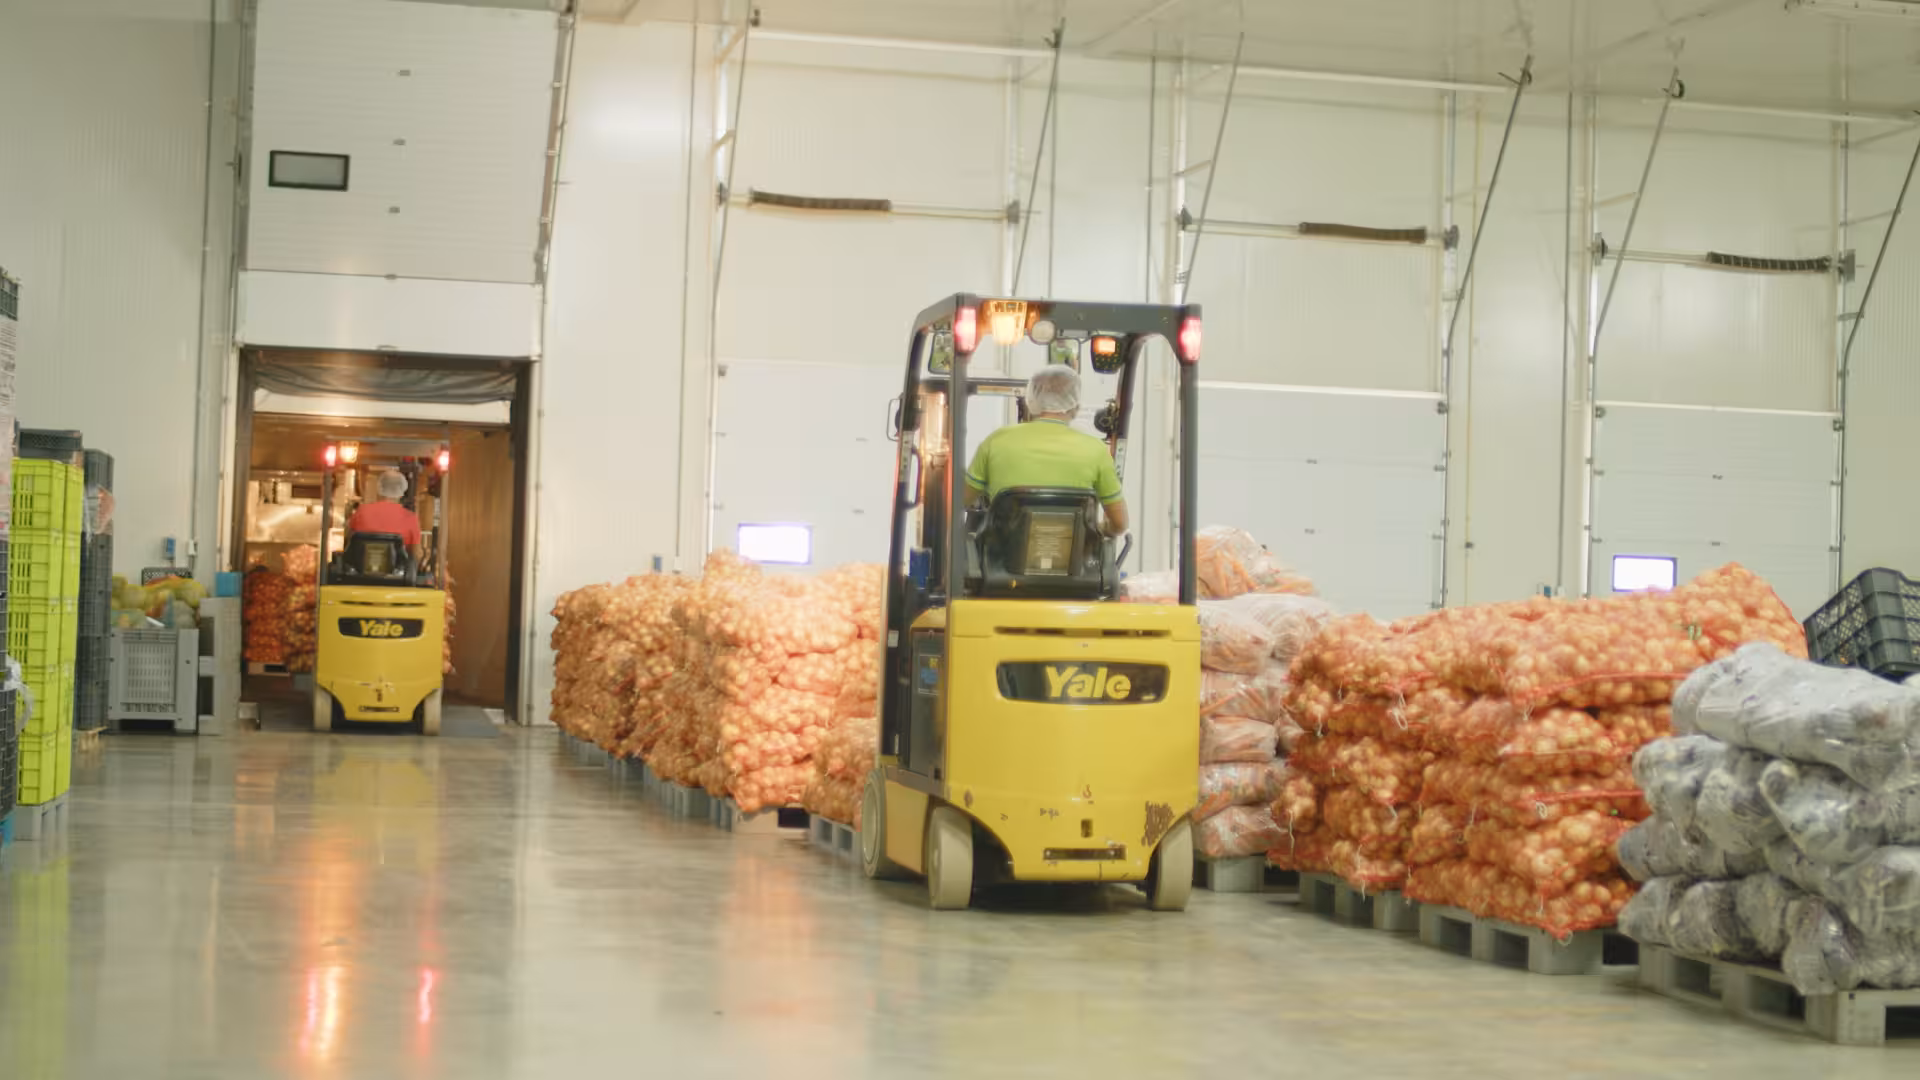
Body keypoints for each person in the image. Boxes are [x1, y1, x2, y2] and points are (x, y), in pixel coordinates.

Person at [964, 364, 1129, 537]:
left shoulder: (996, 441)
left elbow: (960, 501)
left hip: (1000, 551)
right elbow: (1120, 524)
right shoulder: (1096, 450)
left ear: (1031, 400)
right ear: (1075, 405)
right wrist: (1098, 531)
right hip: (1071, 553)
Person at [347, 469, 425, 566]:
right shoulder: (410, 518)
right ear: (402, 492)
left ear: (379, 489)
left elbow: (350, 540)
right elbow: (417, 554)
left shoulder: (361, 511)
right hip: (397, 573)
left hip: (361, 570)